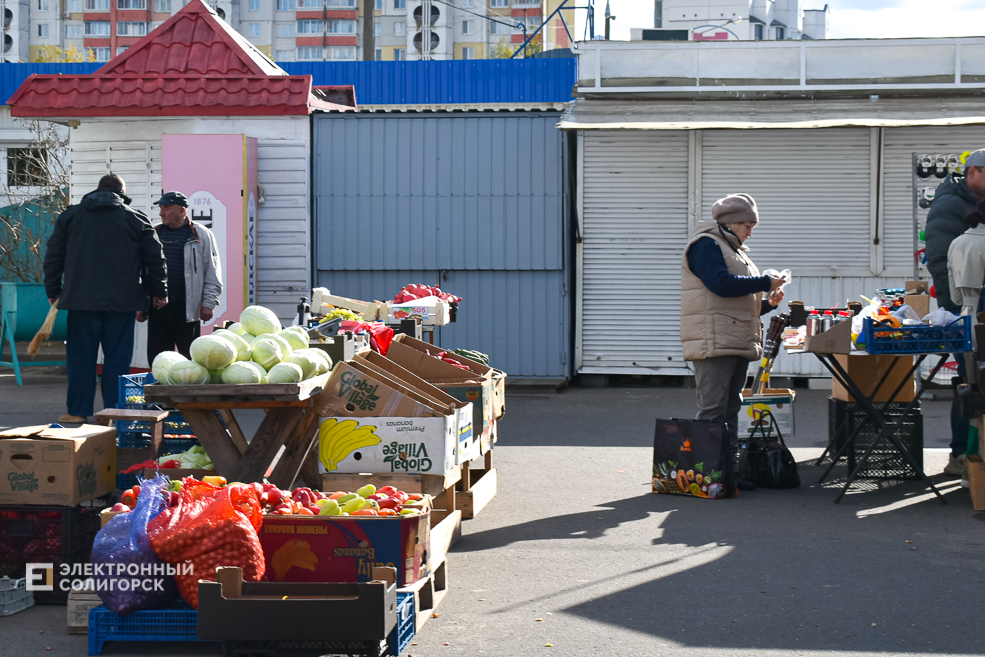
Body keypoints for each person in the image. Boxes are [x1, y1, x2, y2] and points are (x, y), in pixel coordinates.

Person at [680, 193, 785, 492]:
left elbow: (736, 302)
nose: (750, 232)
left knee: (730, 409)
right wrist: (765, 282)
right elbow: (721, 284)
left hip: (733, 337)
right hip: (714, 340)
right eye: (747, 225)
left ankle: (726, 473)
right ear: (729, 223)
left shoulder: (734, 250)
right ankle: (706, 478)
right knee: (713, 409)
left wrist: (767, 303)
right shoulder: (706, 245)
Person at [43, 173, 167, 424]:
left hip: (81, 302)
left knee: (81, 359)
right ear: (122, 193)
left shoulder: (71, 216)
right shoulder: (135, 218)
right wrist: (159, 292)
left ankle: (77, 412)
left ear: (96, 189)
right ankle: (113, 413)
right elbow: (155, 258)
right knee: (117, 362)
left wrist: (53, 291)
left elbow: (54, 255)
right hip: (122, 304)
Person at [925, 149, 985, 476]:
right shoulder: (951, 205)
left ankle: (967, 457)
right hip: (968, 316)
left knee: (974, 384)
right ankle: (962, 456)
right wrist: (957, 312)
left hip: (972, 315)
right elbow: (938, 262)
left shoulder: (968, 201)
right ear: (973, 172)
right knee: (971, 384)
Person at [145, 191, 222, 365]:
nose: (161, 213)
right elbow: (143, 271)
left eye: (166, 208)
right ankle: (162, 393)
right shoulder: (154, 233)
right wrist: (142, 304)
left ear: (182, 210)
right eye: (160, 208)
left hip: (188, 312)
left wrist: (208, 303)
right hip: (158, 311)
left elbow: (212, 270)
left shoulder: (201, 234)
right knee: (159, 363)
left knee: (190, 363)